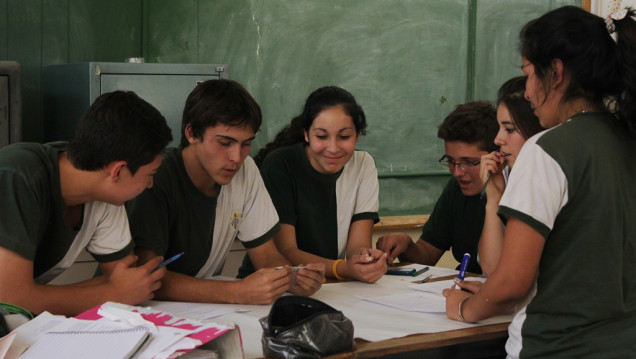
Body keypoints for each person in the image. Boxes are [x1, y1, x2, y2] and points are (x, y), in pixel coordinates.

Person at [443, 6, 636, 358]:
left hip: (556, 347)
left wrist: (462, 308)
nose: (528, 93)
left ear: (556, 72)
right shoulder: (625, 139)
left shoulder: (547, 150)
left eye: (529, 74)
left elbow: (510, 285)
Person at [126, 79, 326, 305]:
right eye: (225, 142)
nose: (236, 157)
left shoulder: (246, 171)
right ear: (191, 133)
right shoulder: (155, 177)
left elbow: (267, 255)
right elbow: (147, 276)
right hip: (137, 315)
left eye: (246, 144)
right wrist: (237, 291)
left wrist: (291, 278)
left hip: (203, 313)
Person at [0, 91, 173, 316]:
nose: (150, 184)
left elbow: (127, 280)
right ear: (118, 170)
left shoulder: (106, 197)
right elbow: (12, 299)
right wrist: (112, 294)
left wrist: (117, 290)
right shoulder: (17, 175)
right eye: (151, 174)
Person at [237, 86, 387, 283]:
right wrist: (343, 268)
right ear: (306, 134)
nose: (333, 148)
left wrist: (364, 260)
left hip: (330, 286)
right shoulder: (280, 164)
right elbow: (286, 251)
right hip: (272, 286)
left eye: (344, 137)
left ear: (357, 136)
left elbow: (357, 245)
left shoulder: (364, 164)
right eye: (321, 136)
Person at [376, 101, 498, 274]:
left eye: (469, 162)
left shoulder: (519, 195)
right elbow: (427, 254)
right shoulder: (457, 189)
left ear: (497, 156)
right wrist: (406, 244)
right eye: (450, 161)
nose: (457, 172)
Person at [477, 76, 543, 275]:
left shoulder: (551, 177)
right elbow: (491, 268)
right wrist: (494, 199)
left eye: (510, 129)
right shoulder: (506, 173)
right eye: (499, 128)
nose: (498, 139)